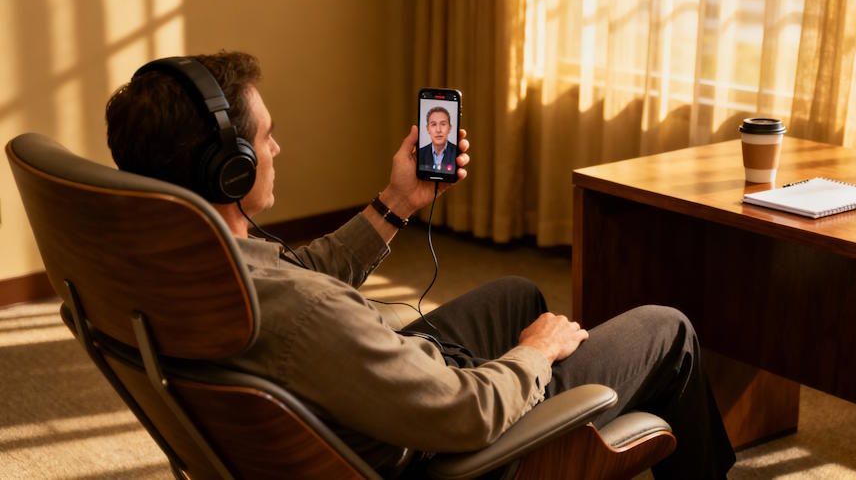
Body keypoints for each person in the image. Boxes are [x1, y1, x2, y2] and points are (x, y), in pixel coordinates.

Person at [105, 51, 735, 478]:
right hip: (433, 446)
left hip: (360, 397)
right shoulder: (306, 312)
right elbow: (465, 413)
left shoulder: (173, 261)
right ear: (230, 168)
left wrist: (399, 201)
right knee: (667, 329)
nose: (276, 148)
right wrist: (535, 356)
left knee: (517, 294)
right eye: (264, 137)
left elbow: (299, 272)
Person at [418, 106, 459, 172]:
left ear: (449, 128)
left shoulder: (457, 152)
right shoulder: (420, 153)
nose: (438, 130)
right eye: (433, 124)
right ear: (427, 129)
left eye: (443, 124)